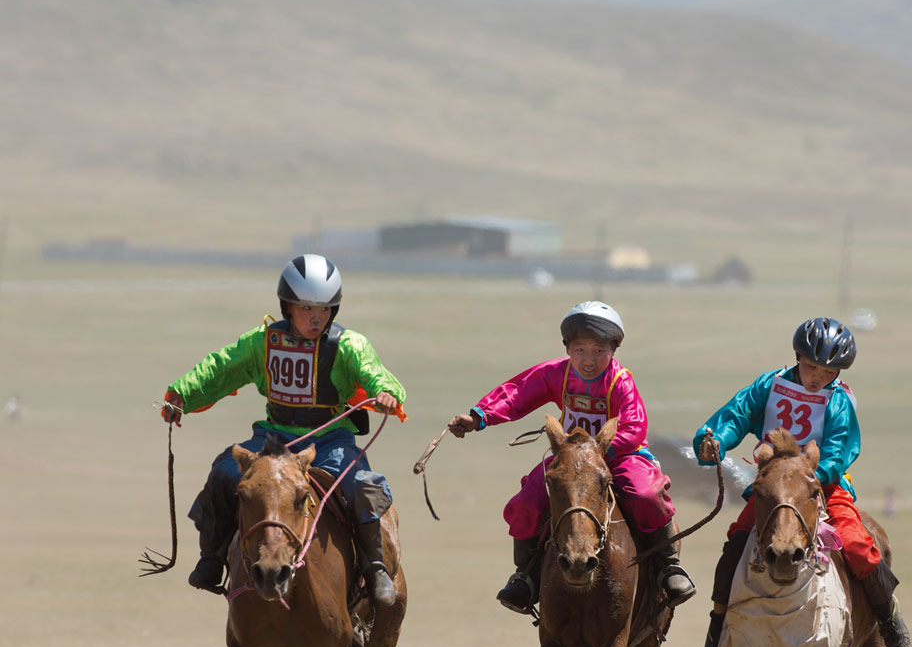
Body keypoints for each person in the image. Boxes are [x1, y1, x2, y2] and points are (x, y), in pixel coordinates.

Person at [161, 254, 406, 607]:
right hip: (273, 439)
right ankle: (212, 558)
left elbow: (376, 373)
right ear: (287, 306)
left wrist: (388, 394)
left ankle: (375, 567)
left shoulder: (349, 346)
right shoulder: (262, 341)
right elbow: (222, 367)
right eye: (306, 307)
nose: (316, 316)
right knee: (224, 472)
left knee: (362, 485)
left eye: (324, 308)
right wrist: (182, 393)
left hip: (330, 440)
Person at [693, 316, 910, 647]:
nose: (816, 377)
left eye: (828, 371)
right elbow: (735, 415)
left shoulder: (839, 398)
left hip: (821, 485)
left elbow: (840, 448)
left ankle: (886, 615)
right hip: (775, 487)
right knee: (737, 543)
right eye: (811, 367)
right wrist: (714, 440)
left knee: (857, 543)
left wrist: (813, 472)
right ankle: (717, 628)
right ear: (797, 356)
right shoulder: (769, 384)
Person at [448, 300, 696, 614]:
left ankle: (668, 567)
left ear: (613, 350)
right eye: (580, 350)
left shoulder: (621, 381)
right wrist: (479, 416)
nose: (588, 360)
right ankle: (525, 576)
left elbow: (634, 426)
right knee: (527, 500)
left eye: (598, 350)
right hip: (571, 458)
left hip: (620, 455)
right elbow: (519, 392)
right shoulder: (557, 374)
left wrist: (601, 450)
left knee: (645, 494)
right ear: (568, 348)